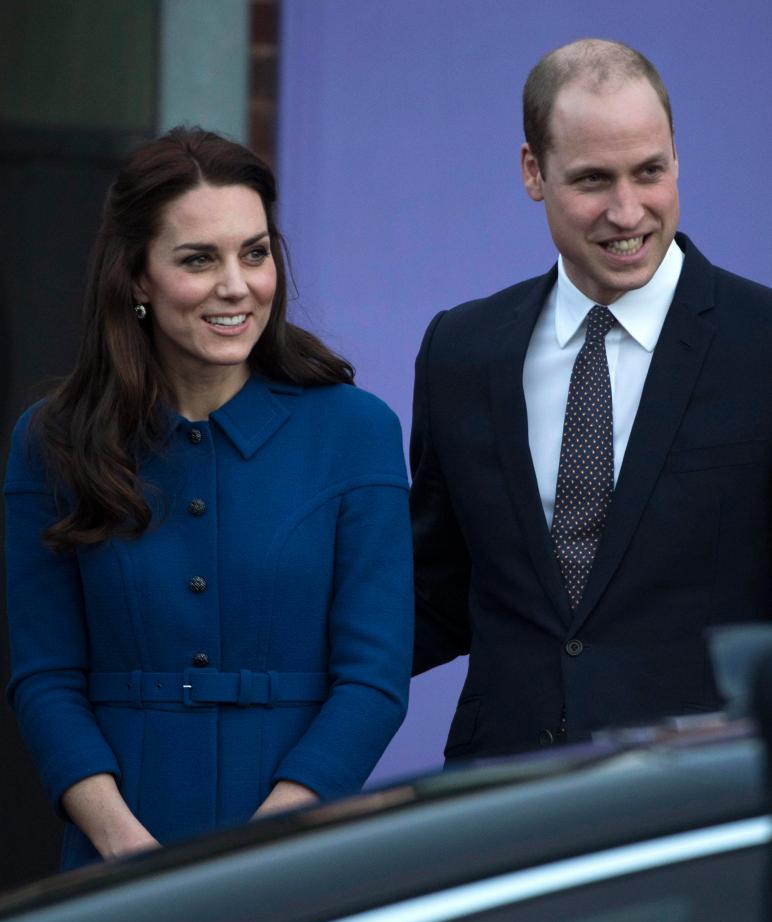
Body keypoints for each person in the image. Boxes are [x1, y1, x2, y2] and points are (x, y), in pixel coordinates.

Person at [4, 127, 413, 870]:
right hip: (112, 854)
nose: (237, 285)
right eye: (199, 259)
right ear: (136, 277)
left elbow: (374, 681)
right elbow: (44, 676)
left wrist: (266, 846)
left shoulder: (357, 431)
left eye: (254, 253)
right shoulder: (50, 440)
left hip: (298, 851)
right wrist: (123, 846)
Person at [411, 39, 772, 761]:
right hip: (502, 791)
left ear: (677, 158)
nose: (626, 209)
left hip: (699, 803)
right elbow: (435, 593)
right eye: (592, 179)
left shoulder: (761, 343)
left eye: (650, 171)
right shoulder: (462, 349)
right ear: (532, 173)